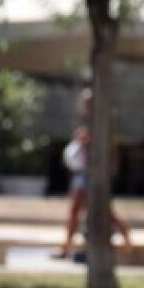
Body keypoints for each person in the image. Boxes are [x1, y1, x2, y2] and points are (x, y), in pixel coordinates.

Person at [53, 90, 130, 260]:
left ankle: (125, 235)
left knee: (100, 211)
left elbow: (108, 149)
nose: (85, 106)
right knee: (76, 210)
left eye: (88, 103)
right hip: (82, 173)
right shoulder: (86, 123)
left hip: (93, 173)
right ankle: (66, 247)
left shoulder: (103, 123)